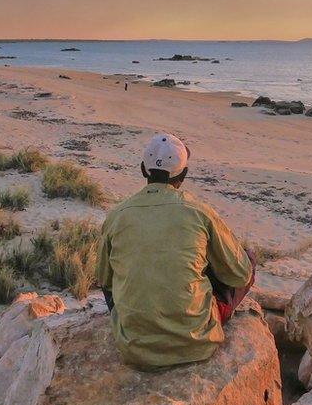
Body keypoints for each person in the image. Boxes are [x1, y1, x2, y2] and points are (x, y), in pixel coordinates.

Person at [96, 133, 255, 369]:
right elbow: (241, 275)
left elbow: (104, 280)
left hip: (134, 348)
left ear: (143, 170)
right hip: (196, 343)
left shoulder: (117, 216)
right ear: (184, 175)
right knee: (247, 260)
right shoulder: (199, 212)